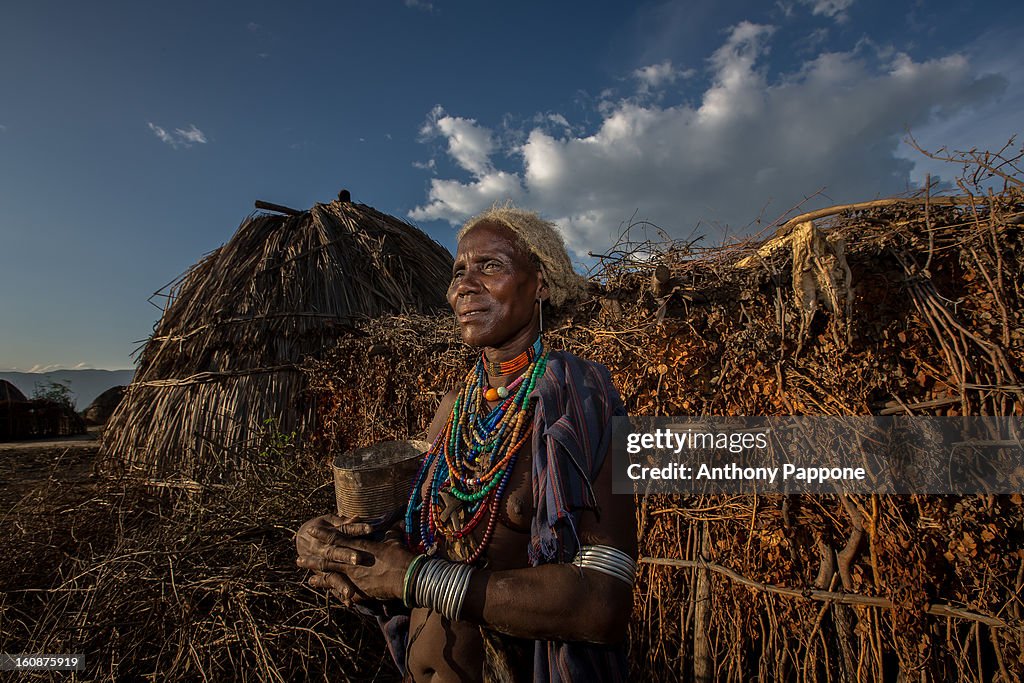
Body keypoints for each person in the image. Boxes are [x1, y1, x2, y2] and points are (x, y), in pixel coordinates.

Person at [296, 205, 636, 682]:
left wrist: (416, 579)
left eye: (490, 266)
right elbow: (415, 551)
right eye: (459, 271)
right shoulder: (455, 409)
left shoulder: (581, 399)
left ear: (541, 283)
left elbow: (603, 601)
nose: (462, 286)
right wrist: (340, 552)